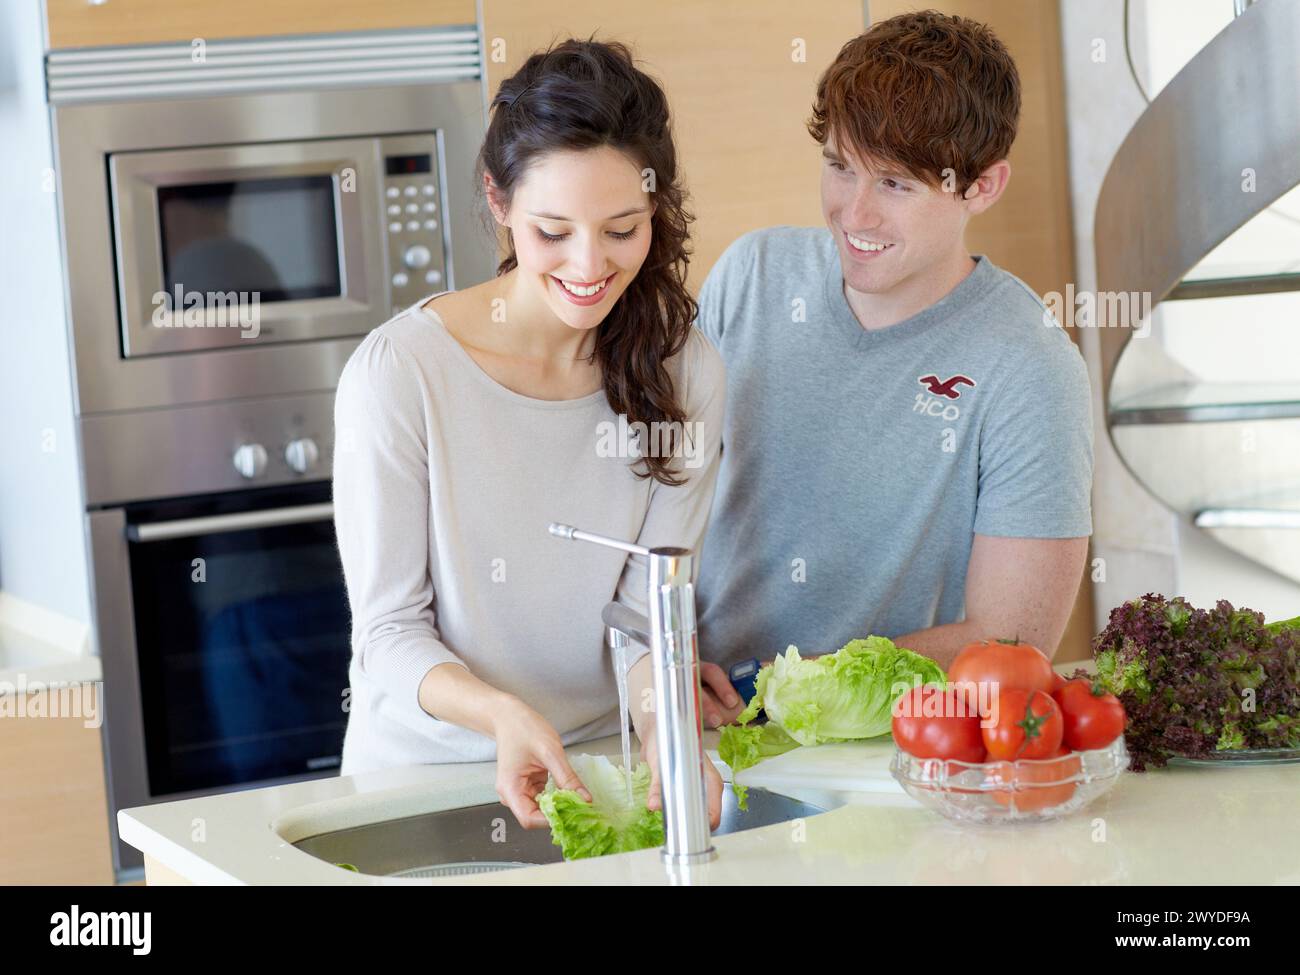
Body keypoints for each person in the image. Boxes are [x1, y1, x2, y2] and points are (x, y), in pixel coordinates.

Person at [332, 39, 733, 829]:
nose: (590, 267)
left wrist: (665, 736)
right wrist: (500, 714)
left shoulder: (686, 373)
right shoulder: (402, 373)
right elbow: (388, 631)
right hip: (424, 780)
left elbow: (644, 619)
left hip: (600, 775)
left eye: (623, 229)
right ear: (499, 200)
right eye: (554, 231)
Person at [693, 10, 1094, 702]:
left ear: (983, 187)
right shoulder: (751, 277)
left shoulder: (1030, 364)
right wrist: (661, 665)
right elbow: (651, 501)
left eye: (896, 185)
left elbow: (1010, 637)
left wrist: (781, 689)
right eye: (841, 168)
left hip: (890, 747)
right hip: (698, 726)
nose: (855, 214)